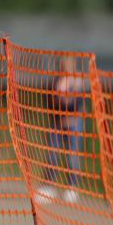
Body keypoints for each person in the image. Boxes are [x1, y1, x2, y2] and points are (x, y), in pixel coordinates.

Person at [37, 56, 86, 204]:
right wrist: (59, 100)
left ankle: (72, 187)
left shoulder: (78, 82)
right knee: (52, 154)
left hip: (73, 123)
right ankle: (48, 186)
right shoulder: (55, 81)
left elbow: (78, 103)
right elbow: (49, 101)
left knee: (72, 155)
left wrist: (67, 104)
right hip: (57, 122)